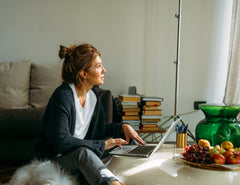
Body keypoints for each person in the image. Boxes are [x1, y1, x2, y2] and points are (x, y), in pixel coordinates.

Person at [35, 43, 145, 185]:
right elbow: (62, 141)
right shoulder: (63, 97)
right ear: (83, 73)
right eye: (98, 66)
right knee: (84, 153)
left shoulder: (92, 97)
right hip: (54, 160)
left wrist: (122, 127)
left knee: (123, 143)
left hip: (77, 156)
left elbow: (100, 130)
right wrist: (102, 145)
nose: (104, 70)